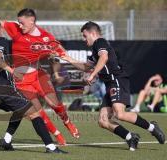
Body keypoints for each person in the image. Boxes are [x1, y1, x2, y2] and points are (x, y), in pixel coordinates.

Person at [0, 8, 79, 143]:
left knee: (54, 103)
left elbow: (60, 51)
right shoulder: (15, 29)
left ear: (31, 21)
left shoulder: (46, 36)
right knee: (36, 110)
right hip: (21, 79)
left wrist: (68, 58)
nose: (19, 25)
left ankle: (67, 122)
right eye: (18, 22)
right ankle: (57, 135)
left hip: (38, 74)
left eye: (21, 22)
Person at [62, 21, 165, 151]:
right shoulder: (95, 50)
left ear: (93, 33)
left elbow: (104, 57)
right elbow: (86, 66)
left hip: (117, 80)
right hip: (110, 84)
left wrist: (93, 74)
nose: (84, 39)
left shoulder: (100, 42)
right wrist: (67, 58)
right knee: (103, 121)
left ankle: (152, 127)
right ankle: (130, 137)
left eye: (84, 35)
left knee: (120, 114)